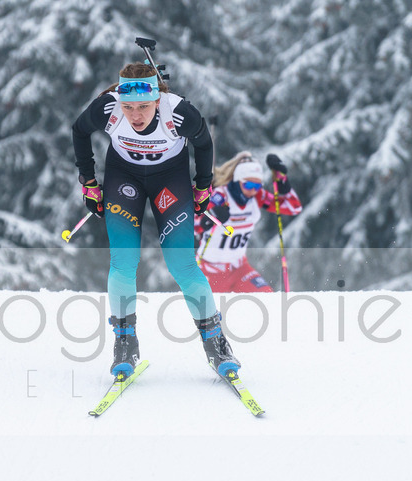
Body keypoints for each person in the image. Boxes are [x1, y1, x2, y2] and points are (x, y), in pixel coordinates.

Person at [71, 62, 240, 378]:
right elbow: (79, 131)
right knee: (123, 262)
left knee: (182, 265)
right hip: (124, 180)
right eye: (129, 107)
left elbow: (204, 144)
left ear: (158, 99)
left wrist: (203, 186)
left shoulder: (178, 112)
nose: (135, 115)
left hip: (170, 181)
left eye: (144, 107)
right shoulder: (108, 107)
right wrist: (89, 182)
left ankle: (216, 344)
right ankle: (125, 343)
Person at [194, 152, 302, 292]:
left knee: (268, 299)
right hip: (211, 269)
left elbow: (294, 207)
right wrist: (211, 217)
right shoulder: (221, 196)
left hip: (239, 268)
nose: (252, 191)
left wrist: (283, 184)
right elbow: (193, 224)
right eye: (249, 185)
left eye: (257, 186)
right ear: (238, 180)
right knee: (213, 311)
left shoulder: (257, 196)